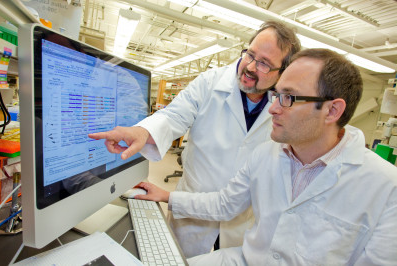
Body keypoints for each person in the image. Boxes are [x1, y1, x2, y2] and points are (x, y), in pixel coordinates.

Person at [134, 48, 397, 265]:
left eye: (288, 98)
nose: (271, 109)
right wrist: (167, 196)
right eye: (276, 95)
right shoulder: (266, 155)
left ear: (332, 111)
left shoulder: (387, 188)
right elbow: (225, 205)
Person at [89, 21, 301, 257]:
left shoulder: (284, 107)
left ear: (282, 73)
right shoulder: (210, 82)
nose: (250, 66)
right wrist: (143, 132)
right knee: (179, 259)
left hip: (241, 219)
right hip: (191, 209)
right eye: (250, 54)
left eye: (264, 64)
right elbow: (174, 115)